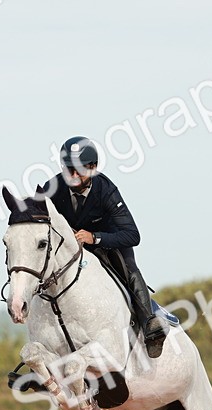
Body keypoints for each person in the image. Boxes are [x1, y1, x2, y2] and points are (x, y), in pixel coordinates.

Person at [36, 136, 167, 358]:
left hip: (108, 246)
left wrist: (94, 237)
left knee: (128, 266)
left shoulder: (106, 190)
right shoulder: (52, 188)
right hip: (70, 251)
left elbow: (132, 235)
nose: (73, 176)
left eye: (79, 170)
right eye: (69, 170)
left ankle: (149, 325)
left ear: (93, 168)